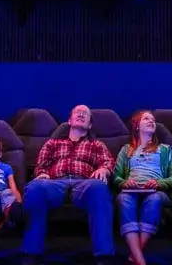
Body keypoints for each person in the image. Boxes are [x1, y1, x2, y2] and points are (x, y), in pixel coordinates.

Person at [22, 104, 115, 265]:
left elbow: (108, 162)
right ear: (69, 121)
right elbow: (41, 165)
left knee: (99, 188)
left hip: (84, 183)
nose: (81, 115)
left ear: (90, 125)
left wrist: (104, 170)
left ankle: (104, 256)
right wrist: (42, 173)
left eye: (85, 114)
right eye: (77, 113)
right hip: (55, 182)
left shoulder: (96, 145)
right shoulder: (53, 143)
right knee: (34, 188)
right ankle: (31, 253)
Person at [112, 111, 172, 265]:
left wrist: (159, 183)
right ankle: (140, 260)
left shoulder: (165, 150)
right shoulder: (126, 149)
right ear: (136, 126)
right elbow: (116, 176)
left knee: (154, 199)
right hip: (131, 189)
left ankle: (136, 256)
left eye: (153, 120)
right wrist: (124, 183)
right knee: (123, 199)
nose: (151, 121)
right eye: (146, 119)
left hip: (156, 190)